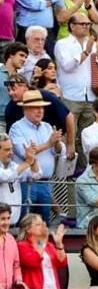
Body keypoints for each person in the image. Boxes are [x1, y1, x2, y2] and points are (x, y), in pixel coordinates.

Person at [7, 89, 65, 222]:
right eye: (35, 108)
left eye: (41, 107)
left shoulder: (47, 127)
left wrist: (56, 144)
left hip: (46, 183)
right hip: (26, 183)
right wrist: (49, 143)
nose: (40, 111)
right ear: (25, 109)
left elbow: (57, 152)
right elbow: (25, 154)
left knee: (44, 224)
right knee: (25, 222)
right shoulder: (17, 128)